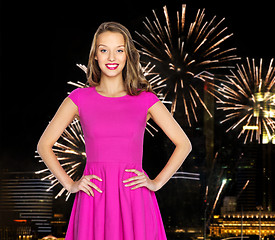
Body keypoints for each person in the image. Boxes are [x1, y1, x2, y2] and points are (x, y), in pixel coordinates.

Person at [36, 22, 192, 239]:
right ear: (95, 56)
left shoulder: (145, 99)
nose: (112, 58)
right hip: (93, 197)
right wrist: (70, 184)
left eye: (119, 50)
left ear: (127, 55)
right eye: (104, 50)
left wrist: (155, 183)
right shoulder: (78, 99)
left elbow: (184, 144)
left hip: (134, 196)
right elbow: (44, 145)